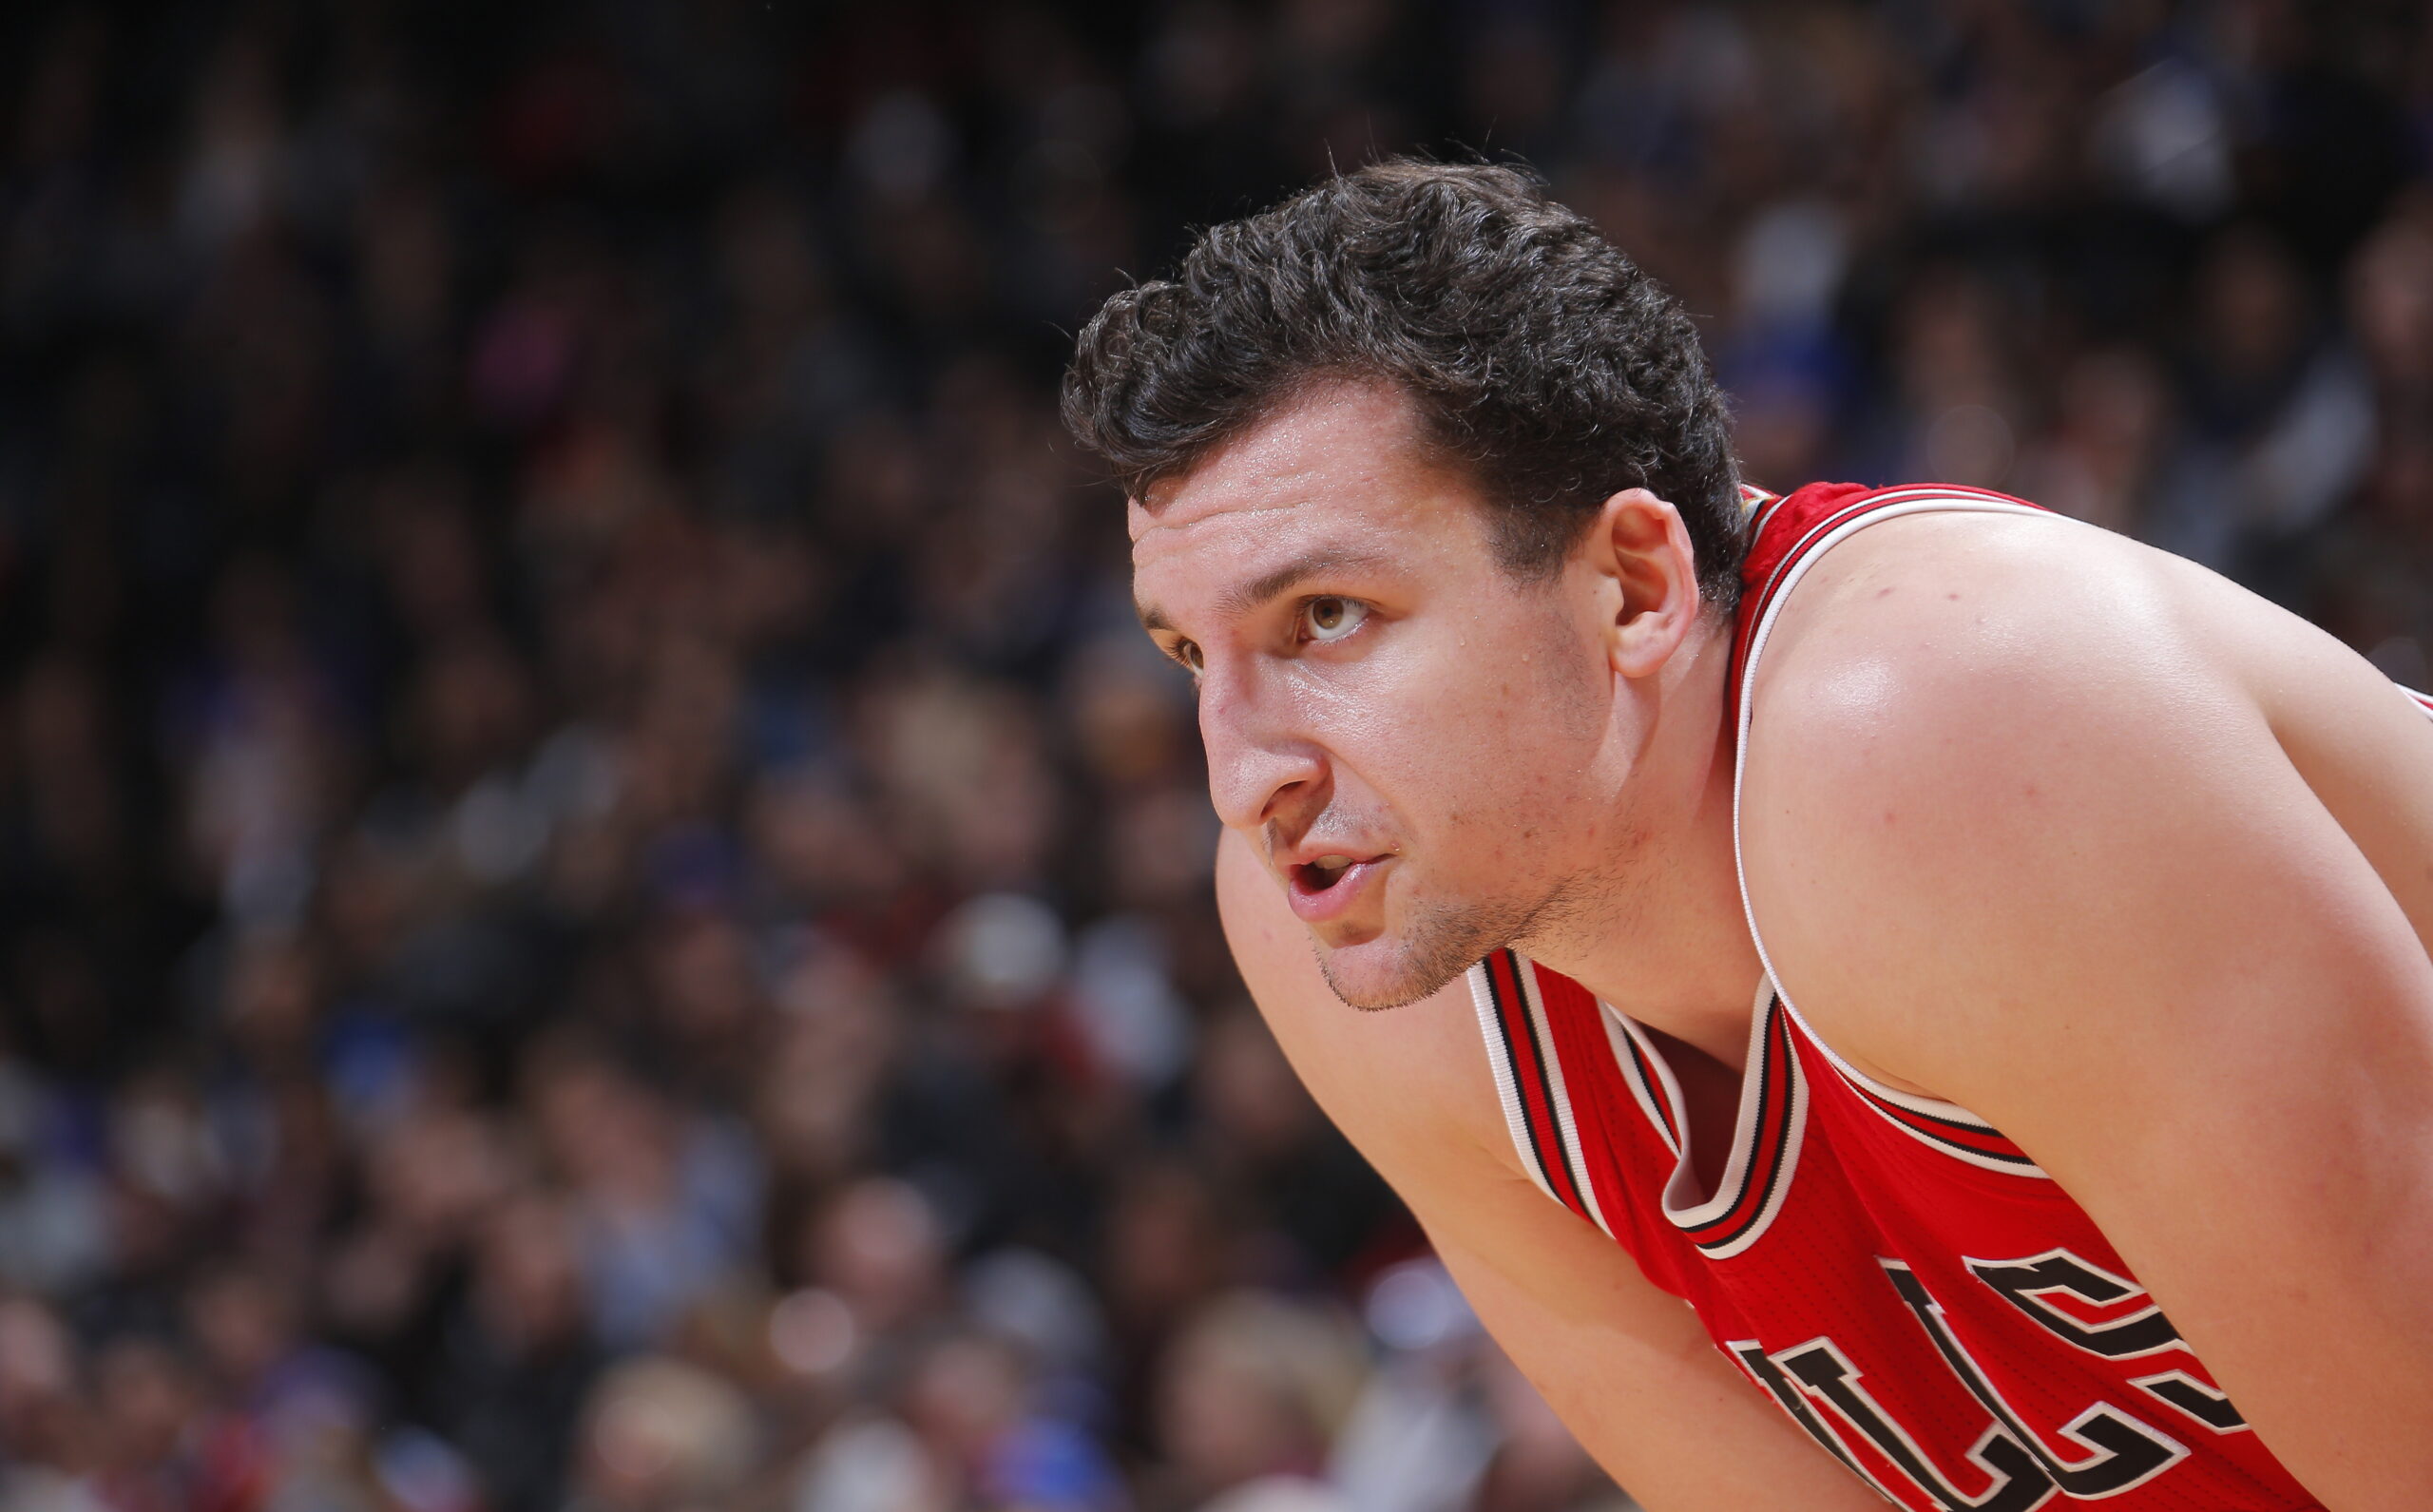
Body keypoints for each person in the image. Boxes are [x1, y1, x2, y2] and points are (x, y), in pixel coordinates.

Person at [1061, 160, 2433, 1511]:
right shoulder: (1357, 947)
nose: (1239, 780)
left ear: (1632, 585)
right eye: (1191, 657)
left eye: (1326, 619)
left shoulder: (1944, 720)